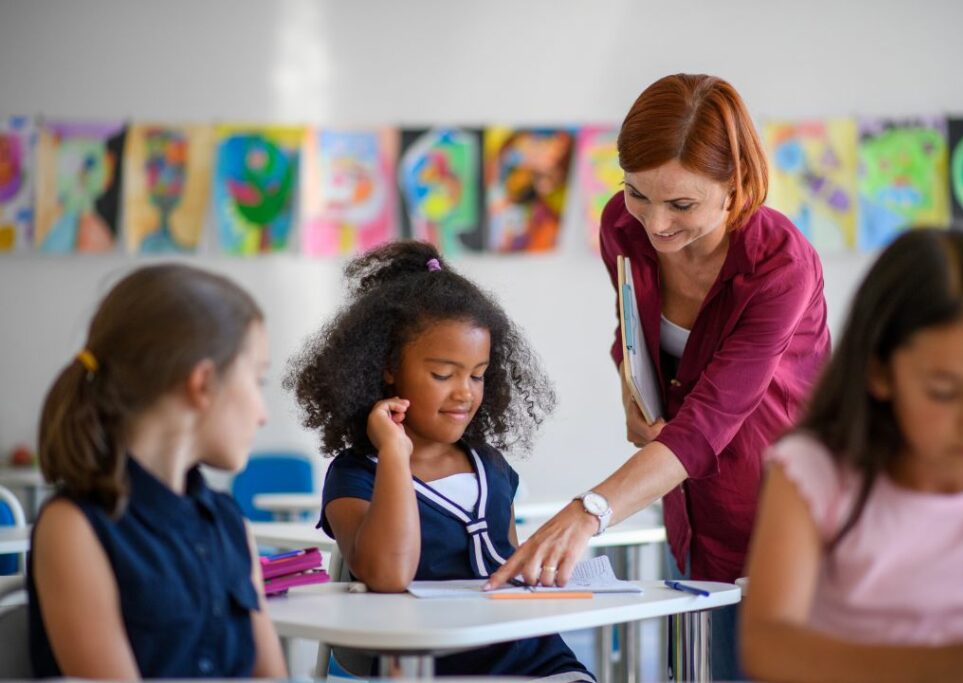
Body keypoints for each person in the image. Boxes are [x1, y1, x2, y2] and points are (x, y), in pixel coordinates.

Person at [487, 72, 831, 674]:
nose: (655, 223)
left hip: (785, 519)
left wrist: (590, 509)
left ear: (736, 186)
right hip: (690, 510)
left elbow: (710, 418)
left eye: (681, 204)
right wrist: (630, 388)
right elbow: (634, 333)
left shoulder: (781, 266)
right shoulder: (621, 228)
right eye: (638, 193)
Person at [286, 240, 594, 680]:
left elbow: (506, 563)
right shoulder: (355, 475)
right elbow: (388, 575)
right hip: (430, 665)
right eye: (442, 374)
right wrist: (394, 451)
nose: (464, 393)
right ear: (389, 366)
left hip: (535, 660)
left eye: (477, 375)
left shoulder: (491, 466)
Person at [741, 228, 963, 683]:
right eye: (944, 392)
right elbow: (767, 645)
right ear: (879, 374)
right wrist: (944, 667)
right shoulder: (814, 472)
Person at [28, 264, 286, 679]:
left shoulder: (230, 524)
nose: (263, 415)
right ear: (203, 383)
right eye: (258, 381)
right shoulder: (74, 528)